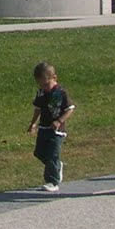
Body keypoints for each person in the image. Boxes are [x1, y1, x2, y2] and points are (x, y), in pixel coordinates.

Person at [26, 60, 75, 193]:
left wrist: (59, 121)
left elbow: (70, 109)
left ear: (54, 78)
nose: (44, 87)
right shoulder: (41, 93)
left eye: (46, 84)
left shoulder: (61, 92)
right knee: (39, 152)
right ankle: (57, 166)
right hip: (44, 127)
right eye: (41, 85)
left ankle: (52, 181)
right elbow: (38, 108)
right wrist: (33, 123)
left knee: (53, 154)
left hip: (57, 130)